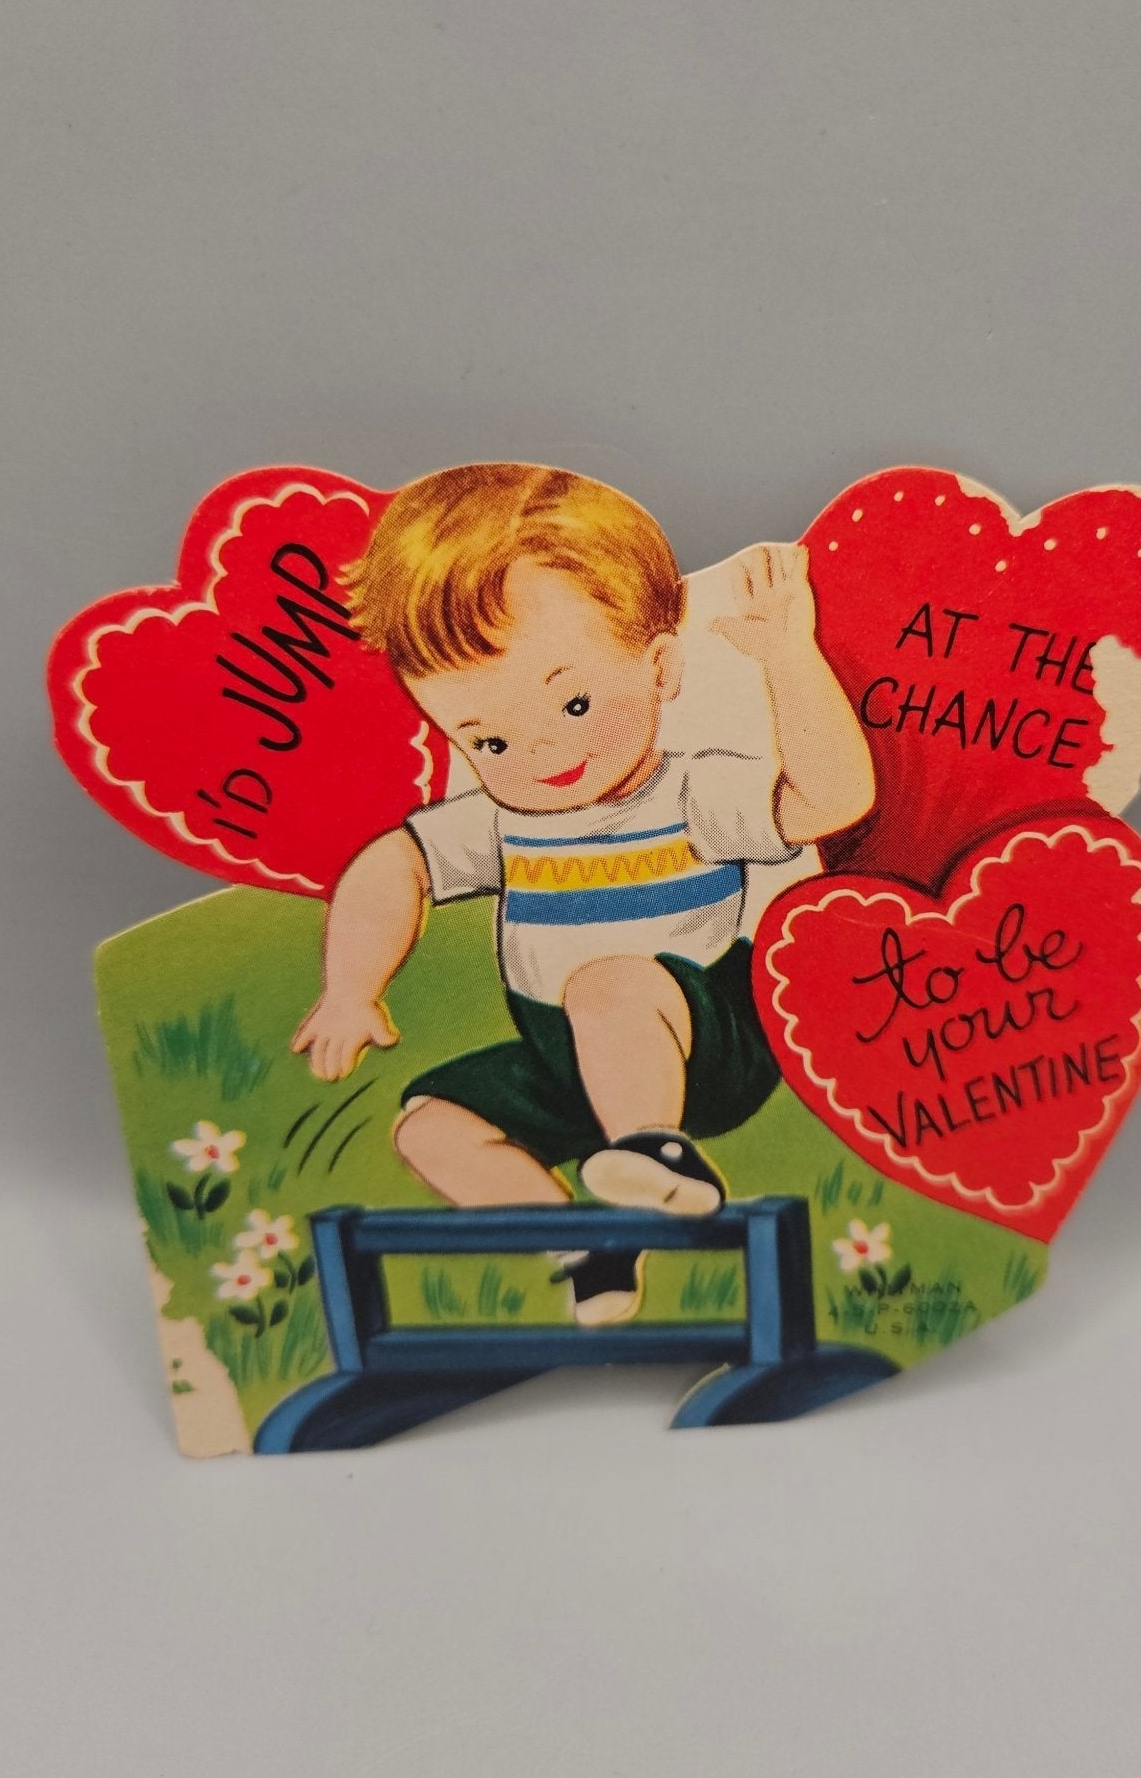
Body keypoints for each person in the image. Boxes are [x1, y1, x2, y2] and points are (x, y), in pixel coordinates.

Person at [292, 463, 875, 1324]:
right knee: (430, 1126)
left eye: (572, 705)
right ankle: (591, 1247)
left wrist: (790, 658)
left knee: (609, 984)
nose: (536, 756)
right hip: (567, 1054)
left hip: (705, 1042)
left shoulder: (691, 794)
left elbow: (833, 801)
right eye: (488, 741)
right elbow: (393, 866)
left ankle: (657, 1153)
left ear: (660, 667)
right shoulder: (500, 821)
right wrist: (351, 987)